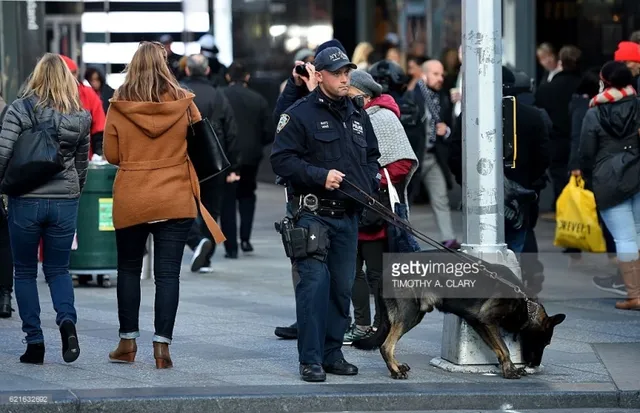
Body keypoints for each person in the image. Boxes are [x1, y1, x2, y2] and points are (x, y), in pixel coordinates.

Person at [103, 41, 226, 368]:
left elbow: (113, 156)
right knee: (168, 274)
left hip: (132, 195)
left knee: (129, 270)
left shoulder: (118, 104)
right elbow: (201, 144)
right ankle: (162, 348)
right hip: (174, 194)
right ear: (166, 65)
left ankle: (127, 342)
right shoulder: (185, 103)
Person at [270, 47, 381, 382]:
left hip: (348, 215)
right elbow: (281, 160)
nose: (345, 77)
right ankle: (311, 359)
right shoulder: (299, 113)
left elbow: (373, 155)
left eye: (347, 71)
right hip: (313, 215)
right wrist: (320, 176)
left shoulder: (358, 113)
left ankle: (333, 354)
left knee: (341, 289)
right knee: (314, 287)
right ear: (319, 75)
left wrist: (371, 180)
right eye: (337, 72)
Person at [0, 53, 91, 364]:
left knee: (24, 272)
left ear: (37, 77)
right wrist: (74, 193)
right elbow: (81, 166)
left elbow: (3, 154)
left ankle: (35, 342)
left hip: (25, 201)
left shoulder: (20, 109)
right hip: (64, 202)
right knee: (58, 270)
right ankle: (67, 324)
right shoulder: (80, 115)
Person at [272, 39, 349, 341]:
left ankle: (332, 334)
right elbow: (282, 123)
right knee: (308, 269)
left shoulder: (347, 99)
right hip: (306, 198)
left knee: (340, 276)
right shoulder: (302, 105)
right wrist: (296, 86)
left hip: (340, 201)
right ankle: (308, 323)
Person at [343, 70, 418, 344]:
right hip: (353, 207)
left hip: (377, 212)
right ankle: (361, 324)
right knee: (351, 270)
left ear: (363, 95)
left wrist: (371, 180)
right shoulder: (351, 118)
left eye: (349, 92)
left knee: (376, 273)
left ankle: (380, 326)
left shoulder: (383, 117)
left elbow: (402, 162)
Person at [579, 61, 640, 311]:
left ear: (605, 82)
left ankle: (635, 295)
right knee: (637, 234)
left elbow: (586, 151)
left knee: (624, 238)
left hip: (608, 178)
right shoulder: (638, 105)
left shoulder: (594, 112)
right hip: (637, 173)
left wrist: (588, 177)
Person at [181, 54, 239, 270]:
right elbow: (231, 131)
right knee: (211, 208)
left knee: (183, 205)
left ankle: (196, 243)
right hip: (213, 161)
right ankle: (205, 255)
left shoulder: (179, 93)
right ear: (207, 71)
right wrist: (232, 163)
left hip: (185, 159)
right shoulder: (218, 95)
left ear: (187, 70)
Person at [222, 62, 274, 254]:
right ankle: (245, 238)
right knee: (247, 196)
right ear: (247, 77)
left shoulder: (221, 96)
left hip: (227, 156)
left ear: (228, 77)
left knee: (227, 199)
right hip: (251, 157)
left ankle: (231, 246)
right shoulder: (258, 99)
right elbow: (269, 132)